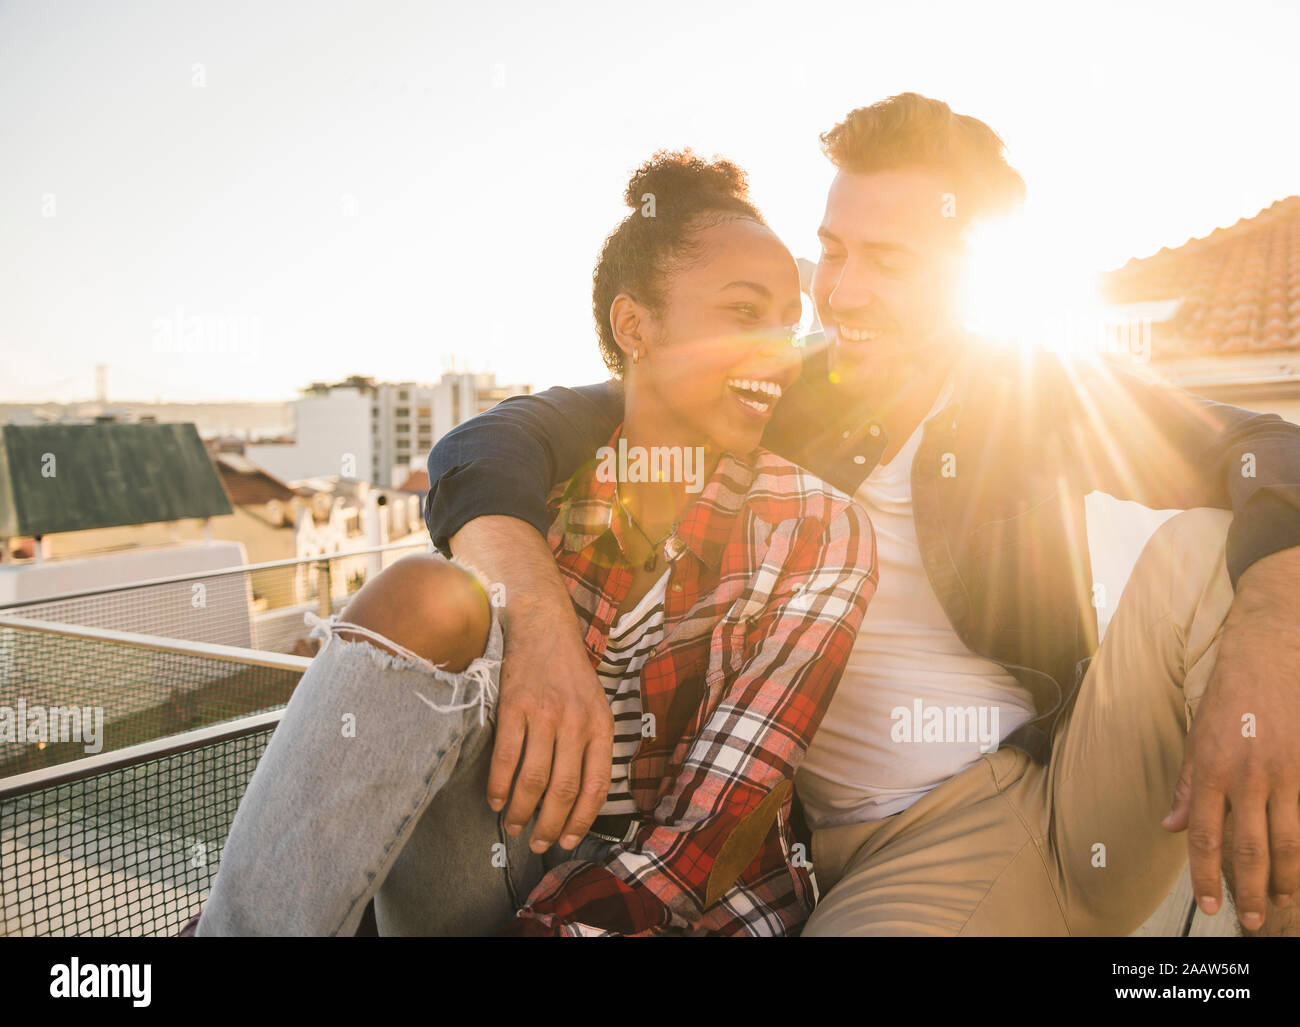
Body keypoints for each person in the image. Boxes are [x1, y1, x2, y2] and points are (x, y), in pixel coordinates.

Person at [425, 93, 1300, 936]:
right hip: (845, 846)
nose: (840, 293)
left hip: (1049, 801)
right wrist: (532, 616)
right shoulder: (769, 387)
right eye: (834, 251)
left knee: (1212, 552)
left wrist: (1273, 632)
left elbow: (1266, 448)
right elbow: (491, 445)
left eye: (889, 261)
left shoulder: (1038, 395)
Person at [195, 151, 877, 936]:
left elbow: (706, 837)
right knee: (426, 593)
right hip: (494, 871)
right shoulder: (528, 508)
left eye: (789, 325)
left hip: (691, 909)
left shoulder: (816, 527)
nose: (781, 350)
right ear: (635, 326)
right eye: (743, 313)